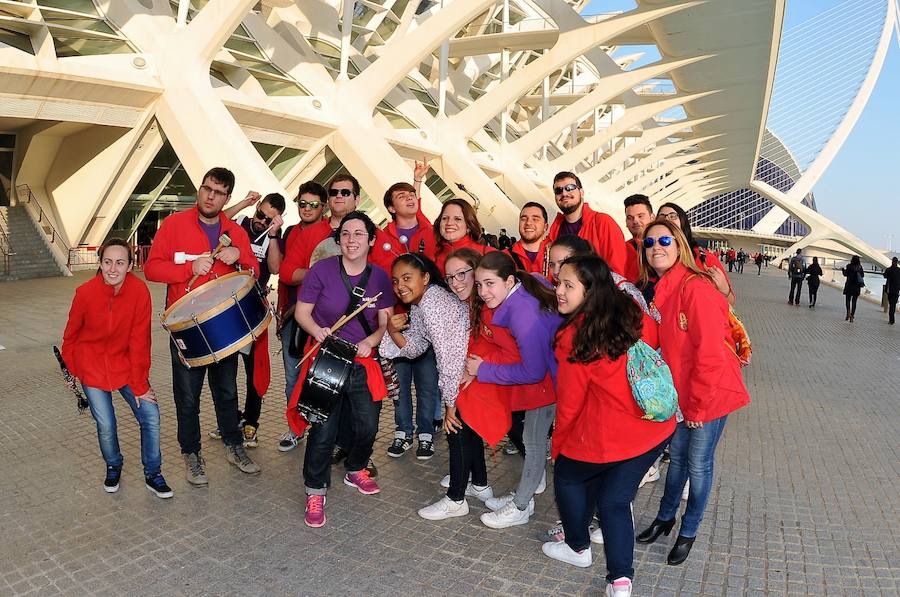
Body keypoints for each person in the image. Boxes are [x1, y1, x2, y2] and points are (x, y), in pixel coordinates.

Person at [541, 255, 674, 596]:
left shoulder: (574, 334)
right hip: (653, 427)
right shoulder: (625, 310)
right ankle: (620, 582)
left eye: (569, 285)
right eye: (558, 283)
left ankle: (577, 546)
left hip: (614, 431)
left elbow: (569, 404)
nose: (559, 291)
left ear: (591, 290)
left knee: (568, 476)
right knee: (614, 501)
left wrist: (558, 446)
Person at [635, 219, 750, 566]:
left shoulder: (695, 288)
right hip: (684, 393)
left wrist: (697, 408)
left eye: (664, 240)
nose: (656, 246)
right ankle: (665, 518)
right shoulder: (664, 288)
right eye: (650, 242)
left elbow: (710, 355)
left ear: (679, 244)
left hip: (709, 393)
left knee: (698, 465)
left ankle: (689, 531)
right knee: (678, 460)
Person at [144, 167, 261, 485]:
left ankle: (234, 446)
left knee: (226, 392)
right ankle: (191, 454)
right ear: (200, 189)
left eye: (219, 192)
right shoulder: (173, 225)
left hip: (223, 328)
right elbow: (151, 268)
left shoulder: (235, 231)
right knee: (187, 396)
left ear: (227, 198)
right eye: (207, 188)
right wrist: (188, 267)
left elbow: (254, 272)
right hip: (185, 326)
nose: (211, 196)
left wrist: (241, 257)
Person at [287, 211, 395, 527]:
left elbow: (385, 321)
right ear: (339, 239)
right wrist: (317, 330)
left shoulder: (380, 277)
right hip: (328, 356)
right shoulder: (321, 270)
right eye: (346, 234)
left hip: (362, 360)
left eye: (359, 234)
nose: (351, 240)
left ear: (371, 240)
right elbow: (302, 313)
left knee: (368, 426)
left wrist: (372, 340)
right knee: (323, 430)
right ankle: (315, 490)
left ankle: (356, 467)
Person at [62, 239, 172, 498]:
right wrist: (73, 369)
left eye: (120, 263)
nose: (113, 269)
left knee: (151, 415)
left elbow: (140, 341)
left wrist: (139, 385)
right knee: (107, 425)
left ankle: (153, 473)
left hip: (125, 366)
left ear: (130, 265)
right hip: (92, 368)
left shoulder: (139, 292)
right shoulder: (84, 293)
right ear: (100, 263)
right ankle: (114, 465)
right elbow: (70, 337)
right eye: (108, 262)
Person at [465, 252, 561, 529]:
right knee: (533, 444)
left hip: (547, 386)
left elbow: (533, 371)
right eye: (479, 284)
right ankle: (524, 495)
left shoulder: (523, 314)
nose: (483, 292)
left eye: (489, 284)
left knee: (533, 445)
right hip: (546, 381)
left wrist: (483, 370)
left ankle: (521, 505)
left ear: (509, 281)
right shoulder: (522, 291)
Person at [378, 254, 473, 519]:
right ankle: (479, 484)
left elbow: (448, 355)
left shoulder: (432, 304)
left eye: (407, 278)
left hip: (472, 367)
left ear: (426, 278)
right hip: (469, 368)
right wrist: (392, 330)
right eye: (396, 281)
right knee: (470, 430)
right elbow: (416, 347)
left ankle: (456, 499)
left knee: (457, 429)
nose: (400, 286)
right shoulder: (422, 304)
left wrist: (451, 403)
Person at [370, 180, 441, 459]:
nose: (410, 198)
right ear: (391, 207)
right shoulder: (381, 238)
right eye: (402, 196)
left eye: (412, 195)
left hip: (425, 323)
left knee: (426, 382)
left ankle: (425, 433)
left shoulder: (430, 233)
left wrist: (418, 182)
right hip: (395, 322)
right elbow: (377, 280)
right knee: (399, 384)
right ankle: (402, 431)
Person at [209, 191, 286, 448]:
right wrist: (244, 203)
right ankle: (228, 422)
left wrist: (274, 234)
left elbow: (275, 268)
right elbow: (217, 219)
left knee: (255, 371)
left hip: (253, 308)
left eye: (268, 220)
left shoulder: (273, 236)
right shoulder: (241, 222)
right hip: (228, 309)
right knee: (225, 370)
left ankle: (251, 423)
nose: (260, 222)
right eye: (260, 214)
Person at [275, 181, 327, 452]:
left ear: (324, 206)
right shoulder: (293, 232)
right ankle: (296, 427)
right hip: (293, 316)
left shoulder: (330, 233)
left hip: (323, 318)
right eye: (302, 203)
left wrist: (308, 275)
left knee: (321, 377)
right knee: (292, 376)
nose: (307, 208)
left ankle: (322, 432)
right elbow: (283, 273)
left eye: (313, 204)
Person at [546, 171, 626, 275]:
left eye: (570, 188)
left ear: (581, 192)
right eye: (558, 190)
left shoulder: (602, 222)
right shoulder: (555, 230)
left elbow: (618, 270)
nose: (564, 193)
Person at [656, 203, 735, 306]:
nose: (666, 220)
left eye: (672, 216)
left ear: (683, 222)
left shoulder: (705, 259)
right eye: (661, 217)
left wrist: (725, 289)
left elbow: (731, 302)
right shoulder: (652, 258)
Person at [432, 198, 491, 274]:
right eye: (445, 218)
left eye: (457, 219)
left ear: (469, 226)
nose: (449, 223)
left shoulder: (487, 254)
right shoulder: (432, 254)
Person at [510, 202, 552, 274]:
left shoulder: (557, 256)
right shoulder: (505, 257)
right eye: (523, 219)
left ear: (545, 227)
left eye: (535, 219)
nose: (528, 223)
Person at [622, 194, 654, 283]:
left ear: (652, 218)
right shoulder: (621, 250)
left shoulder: (666, 245)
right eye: (630, 218)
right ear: (626, 222)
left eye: (640, 216)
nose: (635, 221)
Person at [841, 255, 865, 322]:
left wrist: (843, 270)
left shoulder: (849, 266)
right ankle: (852, 317)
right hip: (857, 287)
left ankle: (848, 313)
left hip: (849, 285)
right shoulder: (860, 267)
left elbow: (845, 274)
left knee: (848, 300)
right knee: (854, 301)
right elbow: (862, 275)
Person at [883, 257, 900, 325]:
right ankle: (892, 319)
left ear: (892, 261)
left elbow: (885, 276)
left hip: (890, 290)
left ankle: (891, 320)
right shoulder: (899, 270)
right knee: (893, 305)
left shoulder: (889, 269)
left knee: (891, 304)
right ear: (897, 262)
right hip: (896, 290)